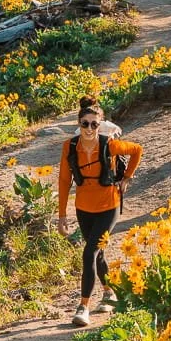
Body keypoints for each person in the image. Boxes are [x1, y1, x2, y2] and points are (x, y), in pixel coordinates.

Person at [58, 95, 142, 327]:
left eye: (94, 124)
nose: (89, 128)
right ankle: (109, 293)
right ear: (79, 124)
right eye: (85, 124)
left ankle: (83, 307)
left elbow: (137, 150)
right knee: (99, 253)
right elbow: (64, 181)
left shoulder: (110, 145)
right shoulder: (69, 147)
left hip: (109, 206)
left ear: (100, 125)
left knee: (89, 252)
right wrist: (62, 216)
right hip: (83, 209)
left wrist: (127, 178)